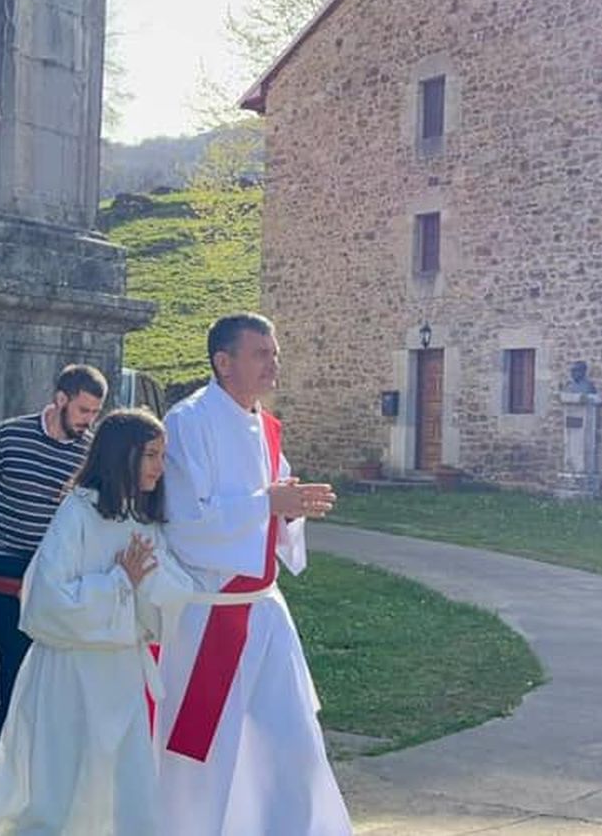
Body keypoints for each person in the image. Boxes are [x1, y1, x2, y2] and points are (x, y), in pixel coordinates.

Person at [154, 312, 351, 835]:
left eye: (275, 353)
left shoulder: (266, 426)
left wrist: (289, 509)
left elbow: (275, 505)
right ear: (224, 362)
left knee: (292, 741)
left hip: (265, 609)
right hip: (211, 614)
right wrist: (269, 503)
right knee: (207, 753)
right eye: (261, 353)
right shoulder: (187, 422)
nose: (274, 364)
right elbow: (185, 523)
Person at [0, 409, 196, 836]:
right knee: (63, 782)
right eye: (151, 455)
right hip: (71, 672)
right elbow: (44, 600)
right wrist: (118, 583)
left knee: (122, 782)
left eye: (163, 456)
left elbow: (166, 586)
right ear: (121, 456)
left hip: (121, 672)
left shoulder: (142, 517)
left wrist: (156, 588)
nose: (160, 468)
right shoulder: (78, 513)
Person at [0, 363, 108, 791]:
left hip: (55, 570)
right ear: (61, 399)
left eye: (96, 413)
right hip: (6, 564)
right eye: (84, 410)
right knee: (17, 669)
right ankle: (10, 765)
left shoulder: (88, 453)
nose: (89, 421)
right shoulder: (10, 436)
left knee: (46, 673)